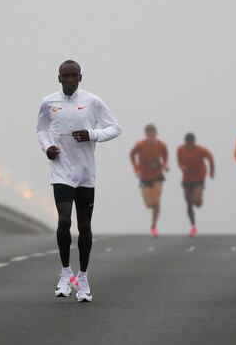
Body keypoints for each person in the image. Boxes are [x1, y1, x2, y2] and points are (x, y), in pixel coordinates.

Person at [36, 60, 121, 302]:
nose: (70, 79)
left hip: (85, 173)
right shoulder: (49, 102)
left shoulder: (92, 102)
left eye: (74, 76)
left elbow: (115, 128)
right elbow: (40, 129)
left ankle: (82, 277)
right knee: (64, 221)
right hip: (61, 170)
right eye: (66, 76)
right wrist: (47, 147)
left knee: (84, 227)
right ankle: (65, 273)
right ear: (59, 78)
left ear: (80, 77)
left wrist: (91, 134)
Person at [129, 124, 169, 237]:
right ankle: (153, 216)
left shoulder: (161, 145)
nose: (151, 136)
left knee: (156, 201)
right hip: (145, 177)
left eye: (152, 133)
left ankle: (154, 225)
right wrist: (136, 168)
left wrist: (165, 165)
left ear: (156, 133)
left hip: (158, 177)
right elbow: (132, 154)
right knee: (149, 204)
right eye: (148, 134)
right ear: (146, 134)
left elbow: (165, 156)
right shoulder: (140, 145)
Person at [176, 133, 215, 237]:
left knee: (196, 202)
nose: (189, 145)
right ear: (185, 142)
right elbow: (179, 162)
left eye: (191, 143)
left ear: (194, 142)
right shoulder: (180, 149)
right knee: (188, 203)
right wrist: (182, 167)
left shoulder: (200, 150)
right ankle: (193, 226)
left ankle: (199, 199)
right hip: (186, 179)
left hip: (199, 179)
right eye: (187, 143)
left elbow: (210, 158)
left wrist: (212, 172)